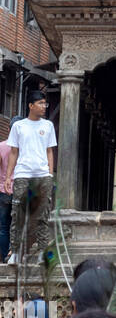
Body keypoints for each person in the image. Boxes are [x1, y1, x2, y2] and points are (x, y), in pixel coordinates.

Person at [4, 91, 57, 265]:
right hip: (22, 175)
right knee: (17, 214)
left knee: (43, 214)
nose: (44, 107)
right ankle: (15, 252)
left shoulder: (48, 126)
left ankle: (42, 251)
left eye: (45, 104)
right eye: (41, 103)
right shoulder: (19, 126)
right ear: (31, 105)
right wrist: (8, 177)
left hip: (42, 175)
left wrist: (50, 173)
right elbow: (13, 152)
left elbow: (50, 151)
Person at [0, 137, 12, 260]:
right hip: (19, 190)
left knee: (4, 226)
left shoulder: (1, 146)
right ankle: (12, 253)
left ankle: (4, 256)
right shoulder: (23, 147)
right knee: (16, 224)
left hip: (3, 190)